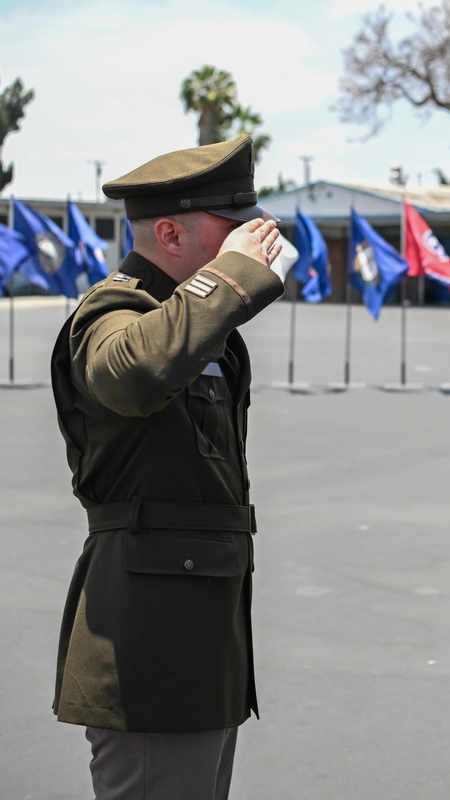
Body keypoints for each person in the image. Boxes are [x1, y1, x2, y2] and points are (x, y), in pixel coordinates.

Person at [50, 135, 285, 800]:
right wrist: (229, 279)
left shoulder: (198, 327)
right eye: (234, 225)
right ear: (172, 232)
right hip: (149, 648)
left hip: (199, 641)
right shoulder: (112, 311)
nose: (255, 236)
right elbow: (134, 373)